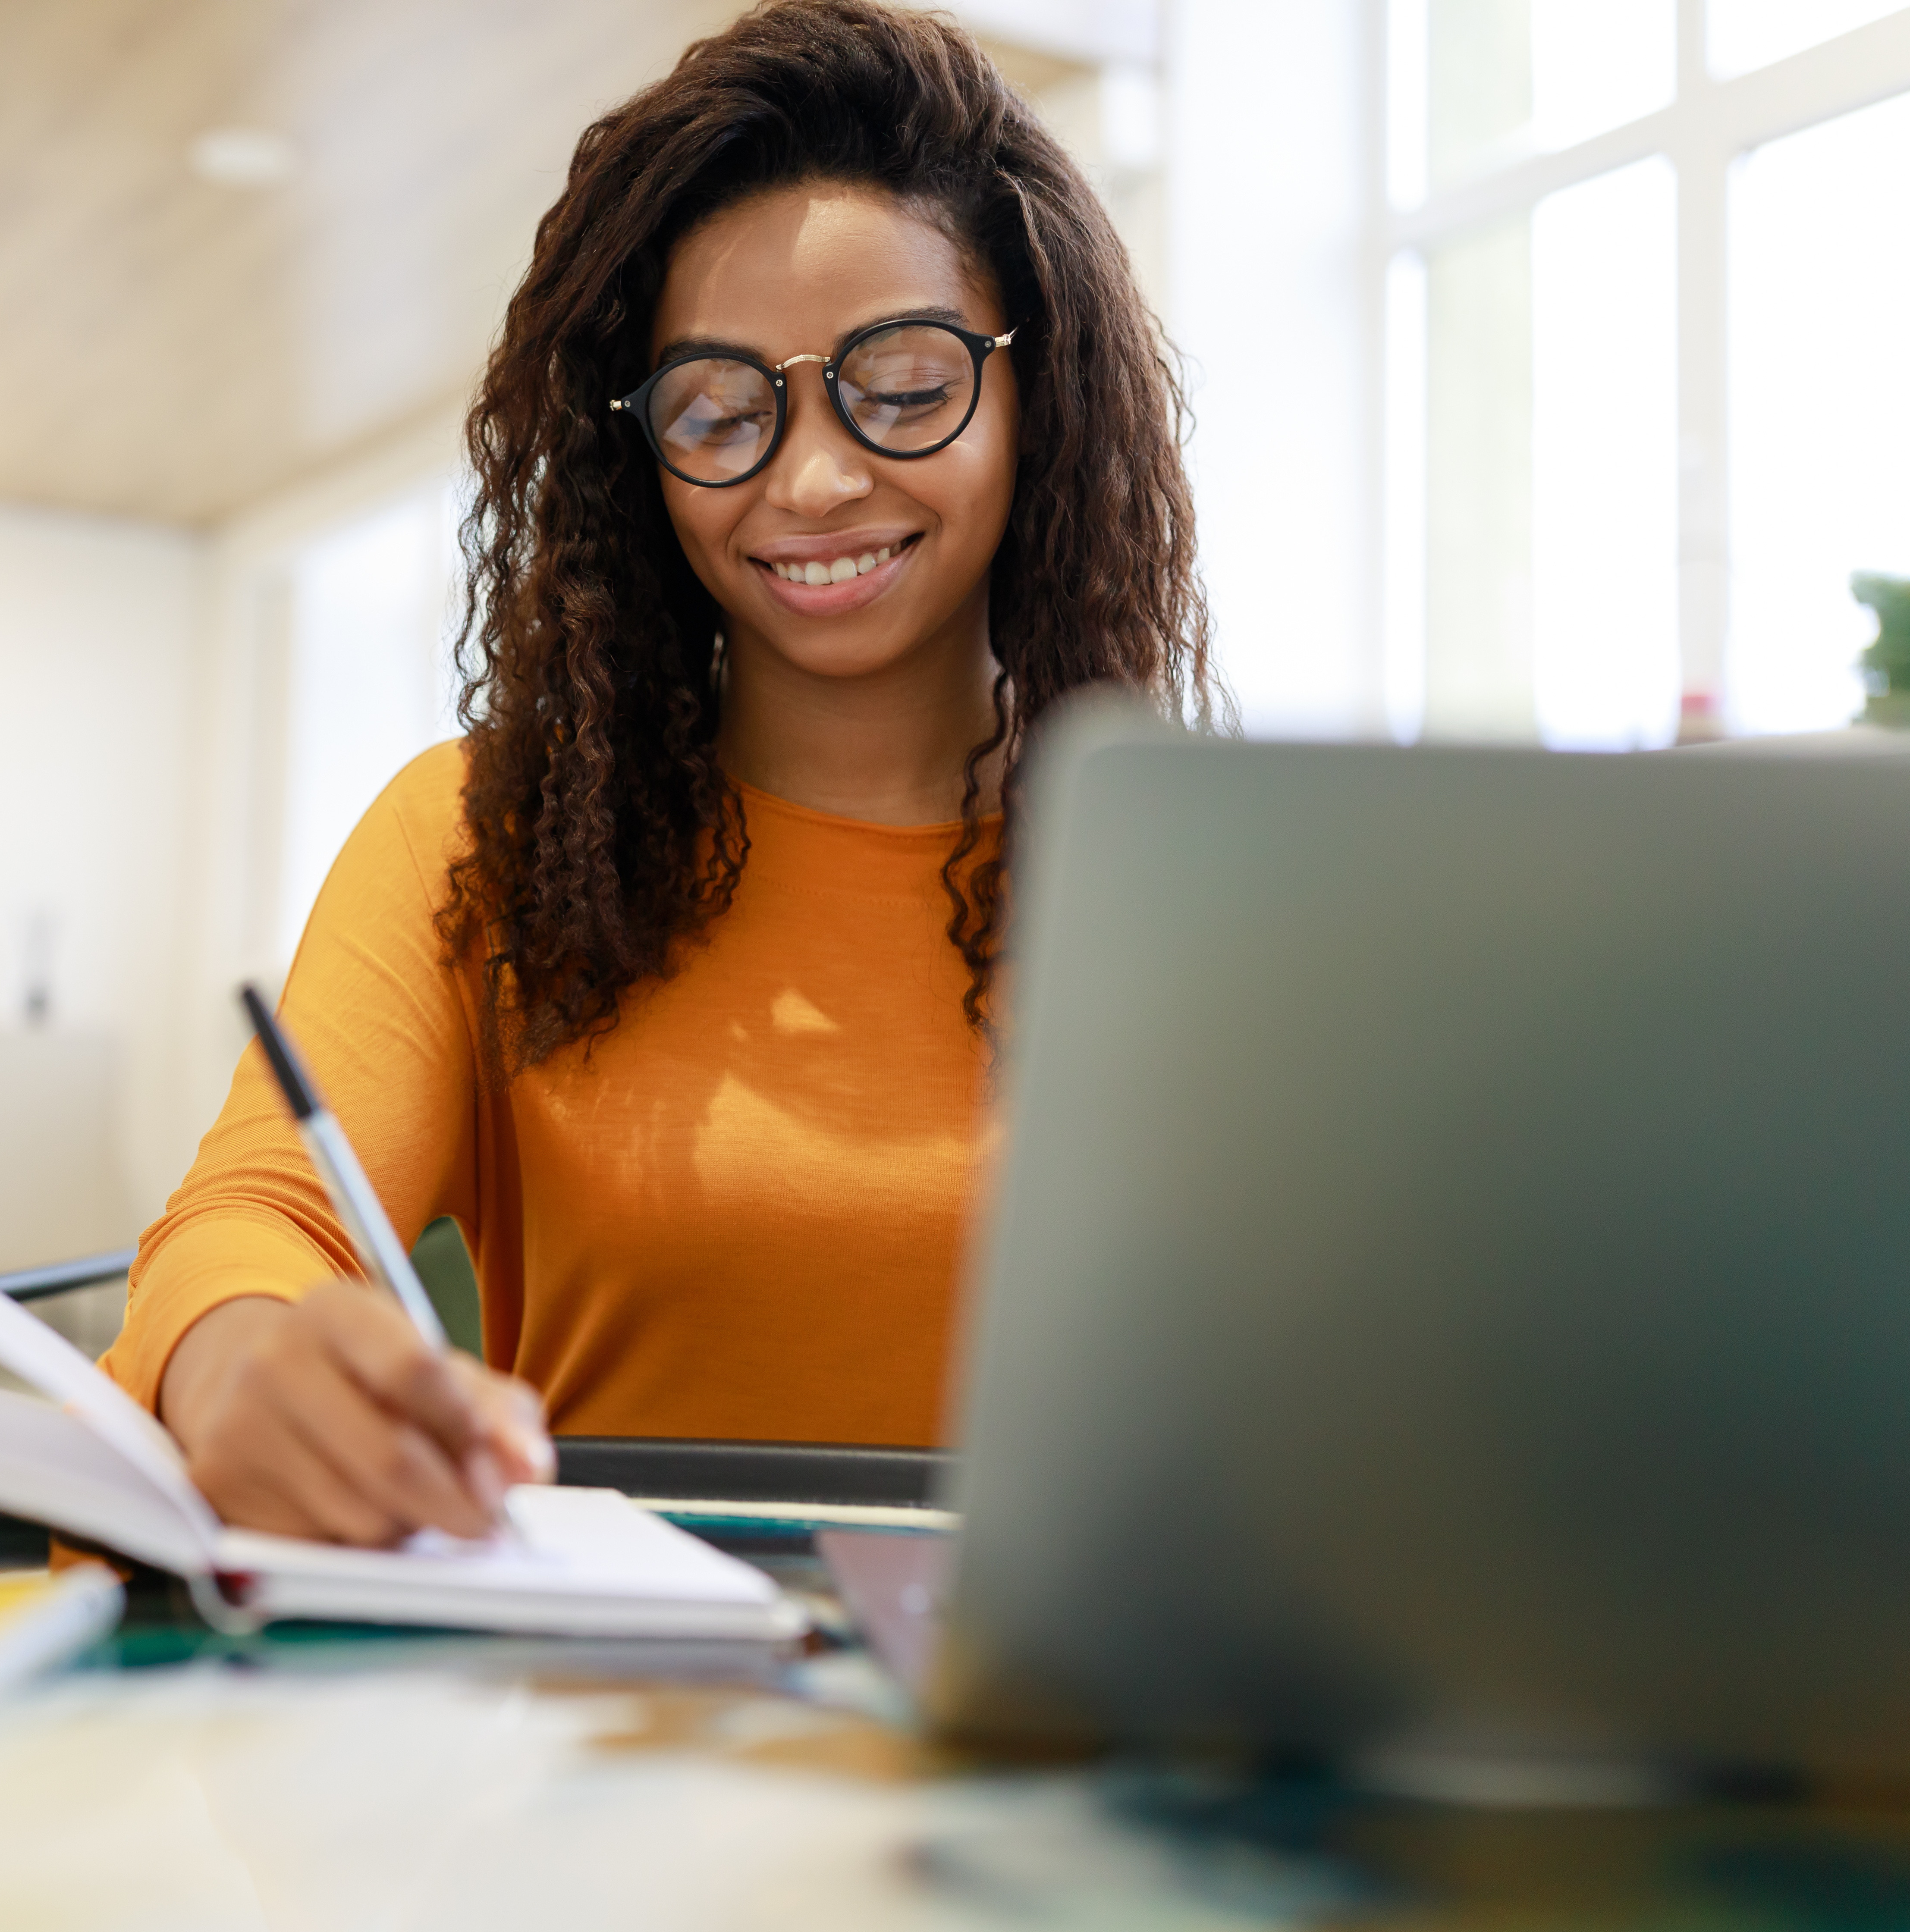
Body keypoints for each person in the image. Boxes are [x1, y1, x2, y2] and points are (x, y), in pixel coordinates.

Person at [99, 0, 1217, 1545]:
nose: (813, 478)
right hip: (607, 1716)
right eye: (717, 412)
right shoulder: (482, 835)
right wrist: (239, 1367)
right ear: (643, 454)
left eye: (904, 384)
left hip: (1080, 1718)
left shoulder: (1208, 878)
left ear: (1047, 398)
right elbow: (250, 1221)